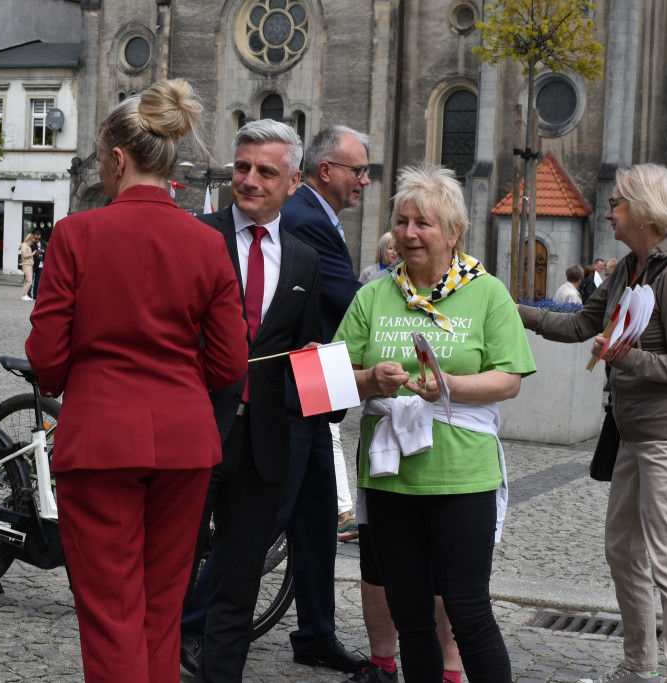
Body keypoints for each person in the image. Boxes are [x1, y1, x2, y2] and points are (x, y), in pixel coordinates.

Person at [25, 79, 248, 683]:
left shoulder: (76, 234)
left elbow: (46, 356)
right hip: (184, 439)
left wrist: (77, 377)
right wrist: (179, 380)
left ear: (119, 159)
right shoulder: (208, 243)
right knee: (161, 609)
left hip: (100, 435)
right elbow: (230, 363)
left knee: (110, 611)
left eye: (102, 157)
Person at [335, 163, 534, 683]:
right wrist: (369, 379)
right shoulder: (374, 294)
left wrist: (450, 385)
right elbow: (334, 378)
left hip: (462, 476)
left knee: (469, 613)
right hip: (390, 477)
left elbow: (510, 379)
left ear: (453, 233)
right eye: (402, 222)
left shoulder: (487, 293)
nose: (409, 234)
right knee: (411, 616)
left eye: (423, 223)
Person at [520, 163, 667, 683]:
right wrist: (511, 310)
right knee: (623, 551)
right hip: (630, 433)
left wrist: (625, 358)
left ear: (644, 210)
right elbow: (581, 323)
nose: (608, 213)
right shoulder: (628, 268)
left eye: (616, 203)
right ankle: (638, 666)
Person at [180, 119, 321, 683]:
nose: (250, 180)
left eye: (266, 171)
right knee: (171, 574)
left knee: (238, 587)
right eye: (242, 168)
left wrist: (345, 386)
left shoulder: (305, 260)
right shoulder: (195, 236)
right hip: (193, 432)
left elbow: (302, 354)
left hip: (263, 445)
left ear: (293, 182)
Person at [278, 125, 370, 675]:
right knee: (271, 516)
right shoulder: (308, 216)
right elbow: (351, 303)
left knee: (316, 516)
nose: (365, 180)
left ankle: (316, 633)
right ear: (326, 170)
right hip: (301, 377)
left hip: (318, 376)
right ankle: (195, 625)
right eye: (359, 170)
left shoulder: (318, 215)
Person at [31, 228, 46, 300]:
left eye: (38, 239)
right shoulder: (31, 243)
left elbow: (47, 252)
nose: (37, 240)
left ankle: (35, 295)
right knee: (30, 280)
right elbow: (29, 252)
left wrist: (43, 252)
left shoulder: (43, 244)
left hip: (40, 264)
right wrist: (36, 253)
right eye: (36, 238)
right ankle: (27, 294)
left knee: (38, 281)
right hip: (32, 263)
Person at [19, 233, 35, 301]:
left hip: (29, 264)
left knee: (27, 280)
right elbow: (24, 255)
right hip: (26, 264)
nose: (32, 243)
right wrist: (32, 254)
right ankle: (24, 295)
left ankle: (25, 294)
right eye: (32, 242)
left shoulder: (27, 246)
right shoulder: (25, 246)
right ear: (28, 240)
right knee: (29, 281)